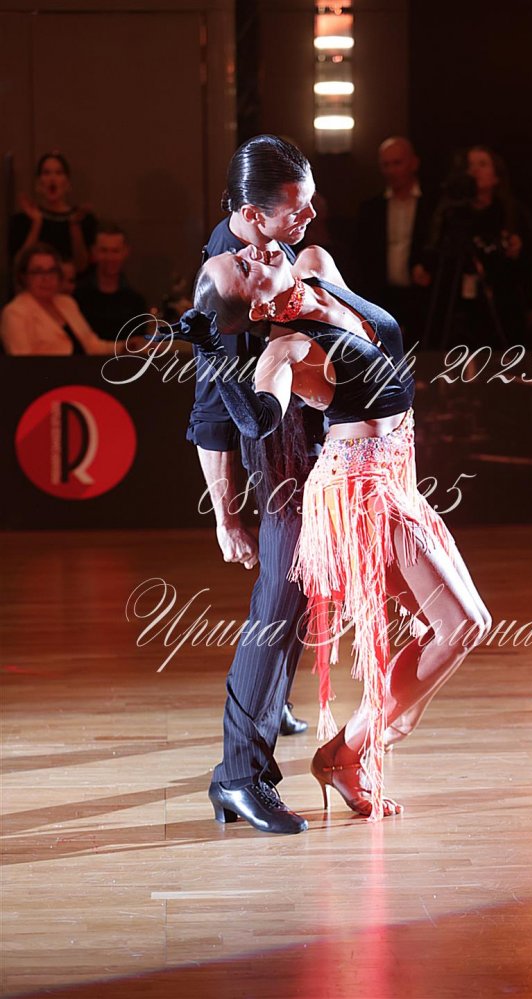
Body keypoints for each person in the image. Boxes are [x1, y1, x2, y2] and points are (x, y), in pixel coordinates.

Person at [172, 241, 491, 824]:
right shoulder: (285, 349)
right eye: (243, 267)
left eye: (244, 252)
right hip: (358, 492)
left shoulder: (316, 265)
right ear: (259, 307)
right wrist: (214, 354)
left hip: (397, 475)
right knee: (463, 624)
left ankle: (358, 747)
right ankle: (348, 752)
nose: (254, 252)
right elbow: (258, 420)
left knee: (450, 626)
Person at [187, 136, 319, 836]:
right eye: (296, 208)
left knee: (294, 594)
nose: (308, 217)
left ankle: (269, 705)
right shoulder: (224, 277)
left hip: (304, 440)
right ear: (250, 214)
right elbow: (211, 413)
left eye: (310, 201)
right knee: (278, 602)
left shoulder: (273, 242)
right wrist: (224, 517)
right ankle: (239, 776)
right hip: (277, 456)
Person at [418, 145, 532, 349]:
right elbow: (436, 252)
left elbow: (527, 262)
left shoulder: (511, 213)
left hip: (500, 305)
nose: (474, 170)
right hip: (457, 306)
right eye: (470, 165)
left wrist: (516, 248)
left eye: (482, 164)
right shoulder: (451, 213)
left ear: (496, 176)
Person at [355, 137, 434, 350]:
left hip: (422, 297)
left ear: (413, 163)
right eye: (386, 164)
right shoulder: (371, 209)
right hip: (382, 297)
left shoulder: (432, 205)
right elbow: (363, 257)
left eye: (397, 163)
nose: (391, 170)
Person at [1, 244, 121, 356]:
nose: (46, 278)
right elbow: (22, 363)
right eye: (38, 272)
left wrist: (125, 346)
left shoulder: (67, 303)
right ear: (24, 277)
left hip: (85, 369)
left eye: (52, 271)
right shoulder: (15, 313)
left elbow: (93, 346)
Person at [8, 152, 97, 275]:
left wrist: (75, 226)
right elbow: (19, 266)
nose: (52, 178)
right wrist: (36, 223)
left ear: (67, 183)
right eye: (46, 173)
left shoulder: (83, 219)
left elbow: (82, 266)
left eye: (58, 173)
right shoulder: (22, 220)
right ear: (38, 184)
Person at [75, 224, 148, 340]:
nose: (109, 258)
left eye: (115, 251)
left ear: (126, 252)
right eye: (104, 250)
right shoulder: (76, 297)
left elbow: (137, 344)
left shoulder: (136, 302)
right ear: (94, 252)